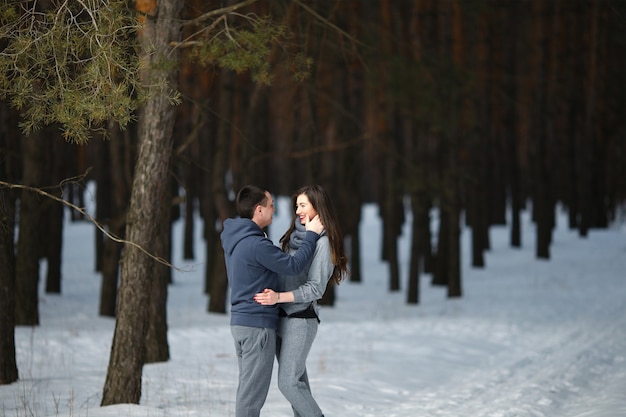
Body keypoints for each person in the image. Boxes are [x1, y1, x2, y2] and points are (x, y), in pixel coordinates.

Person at [221, 185, 325, 417]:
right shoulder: (257, 245)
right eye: (270, 205)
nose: (274, 209)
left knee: (249, 390)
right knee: (251, 398)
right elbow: (293, 266)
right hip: (257, 327)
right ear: (259, 210)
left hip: (240, 324)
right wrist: (312, 235)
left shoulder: (236, 239)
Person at [254, 185, 349, 417]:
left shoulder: (322, 243)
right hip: (280, 319)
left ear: (319, 207)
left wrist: (279, 297)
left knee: (287, 383)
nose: (298, 210)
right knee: (298, 386)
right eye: (297, 205)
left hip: (300, 319)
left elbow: (316, 288)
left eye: (304, 205)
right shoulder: (292, 237)